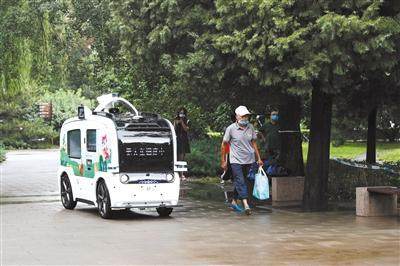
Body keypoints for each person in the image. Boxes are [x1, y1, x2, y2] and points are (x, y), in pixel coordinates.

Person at [221, 106, 263, 215]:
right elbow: (224, 145)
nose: (245, 118)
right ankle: (245, 204)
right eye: (243, 116)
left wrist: (258, 158)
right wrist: (224, 160)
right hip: (235, 160)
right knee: (240, 181)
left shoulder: (250, 128)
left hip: (249, 160)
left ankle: (234, 201)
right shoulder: (231, 129)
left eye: (246, 116)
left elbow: (254, 143)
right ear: (237, 117)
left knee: (242, 181)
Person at [174, 107, 191, 180]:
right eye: (180, 113)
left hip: (184, 139)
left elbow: (186, 129)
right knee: (178, 157)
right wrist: (177, 122)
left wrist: (182, 122)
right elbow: (174, 129)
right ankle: (179, 174)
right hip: (178, 139)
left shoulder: (187, 120)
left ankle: (182, 174)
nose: (181, 114)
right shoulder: (175, 119)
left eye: (183, 113)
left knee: (183, 157)